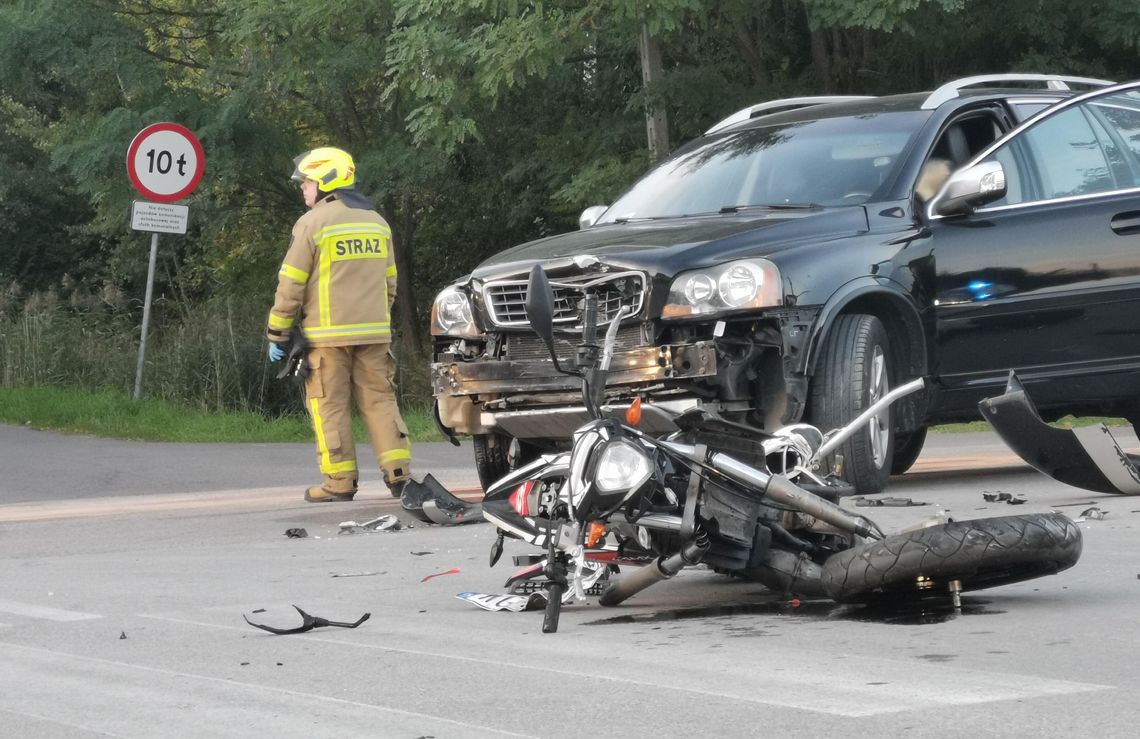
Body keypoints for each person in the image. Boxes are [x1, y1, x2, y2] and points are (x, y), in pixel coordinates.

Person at [266, 147, 412, 502]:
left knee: (328, 405)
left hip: (327, 338)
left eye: (307, 182)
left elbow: (291, 285)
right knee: (380, 402)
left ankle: (339, 482)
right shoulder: (377, 222)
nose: (303, 189)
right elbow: (390, 283)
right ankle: (399, 476)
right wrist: (375, 318)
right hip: (375, 334)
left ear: (326, 181)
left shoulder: (312, 224)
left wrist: (278, 332)